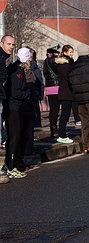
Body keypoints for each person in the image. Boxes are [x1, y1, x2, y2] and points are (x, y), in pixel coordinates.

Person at [3, 48, 36, 178]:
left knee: (15, 136)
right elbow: (15, 92)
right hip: (13, 107)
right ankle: (11, 166)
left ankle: (12, 163)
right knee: (14, 137)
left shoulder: (17, 69)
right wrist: (27, 94)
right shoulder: (17, 72)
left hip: (14, 106)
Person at [0, 35, 15, 183]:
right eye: (8, 44)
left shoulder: (3, 59)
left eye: (13, 44)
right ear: (1, 43)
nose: (11, 46)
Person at [26, 47, 44, 155]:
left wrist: (40, 96)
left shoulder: (35, 69)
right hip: (26, 99)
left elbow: (40, 84)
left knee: (31, 125)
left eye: (31, 57)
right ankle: (28, 148)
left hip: (33, 99)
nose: (30, 59)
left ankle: (29, 147)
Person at [56, 45, 76, 144]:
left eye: (72, 52)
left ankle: (62, 133)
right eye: (70, 52)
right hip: (66, 91)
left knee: (66, 113)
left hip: (67, 91)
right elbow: (68, 78)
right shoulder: (64, 65)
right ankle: (61, 134)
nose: (72, 54)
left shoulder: (67, 64)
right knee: (65, 113)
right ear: (65, 52)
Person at [43, 48, 60, 138]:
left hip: (49, 88)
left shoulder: (45, 62)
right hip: (57, 87)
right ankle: (56, 129)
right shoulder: (55, 61)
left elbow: (45, 74)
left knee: (52, 110)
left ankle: (52, 129)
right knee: (56, 110)